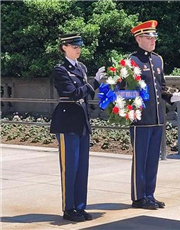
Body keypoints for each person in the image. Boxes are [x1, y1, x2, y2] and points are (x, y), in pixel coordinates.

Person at [50, 33, 105, 221]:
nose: (78, 49)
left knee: (82, 168)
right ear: (64, 47)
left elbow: (84, 96)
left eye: (79, 46)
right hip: (67, 123)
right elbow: (72, 94)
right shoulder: (60, 70)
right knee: (69, 167)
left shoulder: (81, 68)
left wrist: (92, 86)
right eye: (74, 46)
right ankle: (69, 208)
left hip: (82, 122)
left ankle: (80, 207)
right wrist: (94, 84)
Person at [129, 20, 180, 209]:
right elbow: (123, 90)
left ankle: (149, 195)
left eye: (154, 37)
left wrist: (170, 96)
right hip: (141, 118)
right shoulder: (131, 61)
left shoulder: (158, 60)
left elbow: (161, 86)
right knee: (140, 160)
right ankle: (138, 197)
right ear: (138, 39)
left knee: (153, 159)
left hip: (157, 117)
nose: (153, 40)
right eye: (148, 37)